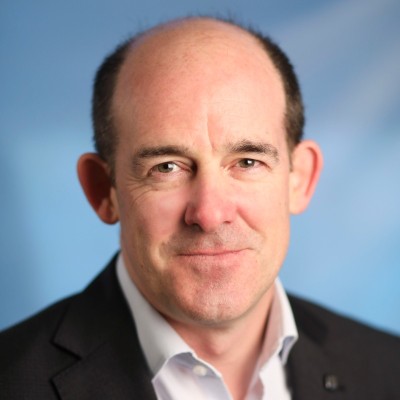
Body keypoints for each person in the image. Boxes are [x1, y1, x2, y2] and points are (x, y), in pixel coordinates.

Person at [0, 16, 399, 400]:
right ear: (102, 190)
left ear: (300, 179)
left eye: (247, 162)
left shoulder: (387, 369)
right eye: (166, 167)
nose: (209, 214)